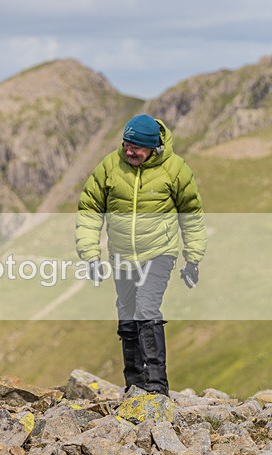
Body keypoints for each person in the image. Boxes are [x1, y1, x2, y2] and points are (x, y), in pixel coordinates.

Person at [75, 114, 206, 396]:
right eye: (126, 145)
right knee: (127, 314)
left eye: (136, 147)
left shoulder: (175, 169)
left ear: (153, 147)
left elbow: (191, 215)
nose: (129, 152)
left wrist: (193, 258)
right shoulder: (110, 166)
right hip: (121, 255)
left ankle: (157, 386)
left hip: (159, 253)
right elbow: (89, 209)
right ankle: (134, 385)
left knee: (146, 309)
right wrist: (91, 255)